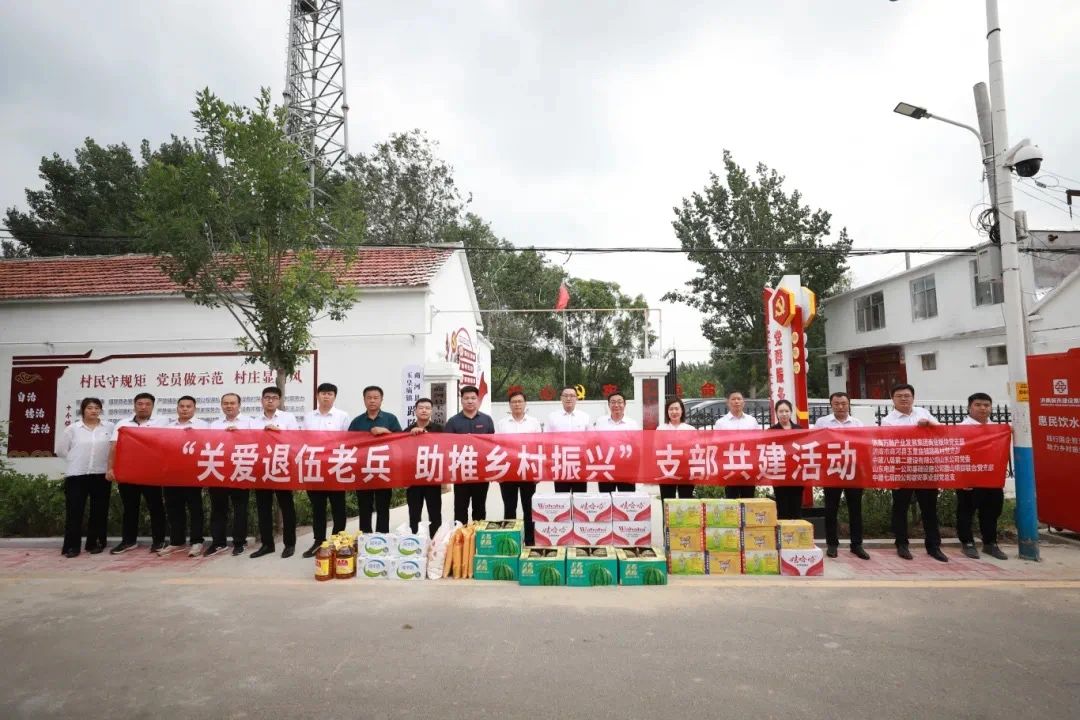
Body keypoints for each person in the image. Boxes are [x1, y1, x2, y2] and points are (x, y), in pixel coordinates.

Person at [882, 383, 947, 562]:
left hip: (926, 468)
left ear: (913, 397)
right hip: (902, 469)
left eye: (907, 395)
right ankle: (902, 544)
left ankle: (933, 546)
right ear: (892, 399)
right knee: (900, 508)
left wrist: (929, 425)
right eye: (899, 396)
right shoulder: (888, 421)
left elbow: (942, 432)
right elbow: (888, 444)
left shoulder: (923, 413)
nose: (904, 399)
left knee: (929, 509)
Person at [106, 392, 167, 554]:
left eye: (147, 404)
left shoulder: (162, 423)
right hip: (128, 473)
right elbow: (114, 447)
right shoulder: (123, 424)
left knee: (156, 507)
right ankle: (128, 541)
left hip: (151, 473)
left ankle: (159, 541)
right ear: (134, 405)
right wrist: (110, 468)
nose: (143, 407)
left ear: (153, 406)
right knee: (130, 508)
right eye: (140, 404)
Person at [814, 392, 870, 560]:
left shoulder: (857, 423)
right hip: (832, 471)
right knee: (831, 509)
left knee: (855, 509)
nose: (840, 407)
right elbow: (816, 444)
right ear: (831, 405)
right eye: (836, 404)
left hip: (853, 471)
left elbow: (863, 447)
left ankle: (857, 545)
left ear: (849, 404)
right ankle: (832, 544)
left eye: (843, 403)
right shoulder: (822, 422)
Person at [57, 397, 113, 557]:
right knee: (74, 511)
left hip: (101, 474)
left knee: (99, 511)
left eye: (97, 408)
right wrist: (77, 459)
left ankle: (95, 543)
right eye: (89, 408)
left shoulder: (109, 427)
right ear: (82, 410)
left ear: (101, 410)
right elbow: (61, 451)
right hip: (77, 475)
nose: (93, 411)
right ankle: (72, 546)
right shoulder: (73, 429)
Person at [300, 382, 351, 558]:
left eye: (330, 394)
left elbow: (348, 441)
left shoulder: (342, 416)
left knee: (338, 507)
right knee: (318, 507)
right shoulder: (308, 417)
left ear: (334, 397)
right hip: (314, 468)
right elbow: (303, 440)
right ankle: (319, 541)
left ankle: (337, 541)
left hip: (335, 467)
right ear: (317, 396)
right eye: (323, 393)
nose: (326, 396)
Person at [957, 392, 1008, 561]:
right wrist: (962, 478)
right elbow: (956, 454)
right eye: (978, 405)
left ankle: (990, 543)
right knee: (966, 511)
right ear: (969, 407)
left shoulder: (998, 429)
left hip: (992, 477)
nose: (982, 408)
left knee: (992, 512)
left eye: (986, 405)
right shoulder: (961, 428)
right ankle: (967, 543)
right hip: (969, 477)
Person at [250, 386, 299, 559]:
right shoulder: (254, 421)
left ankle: (290, 544)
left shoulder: (288, 418)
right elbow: (249, 442)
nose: (270, 400)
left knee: (287, 506)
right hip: (261, 467)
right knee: (263, 507)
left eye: (274, 397)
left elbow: (296, 440)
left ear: (279, 400)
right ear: (262, 400)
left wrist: (279, 433)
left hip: (282, 466)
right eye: (267, 397)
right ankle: (267, 544)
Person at [348, 385, 402, 533]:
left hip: (384, 469)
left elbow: (401, 441)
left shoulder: (390, 419)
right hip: (363, 470)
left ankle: (382, 537)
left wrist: (386, 431)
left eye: (376, 398)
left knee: (383, 506)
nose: (372, 401)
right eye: (369, 398)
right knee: (364, 506)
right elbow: (349, 444)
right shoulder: (357, 421)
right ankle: (365, 536)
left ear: (381, 399)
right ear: (364, 400)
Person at [160, 396, 209, 557]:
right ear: (177, 408)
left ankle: (197, 541)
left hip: (193, 473)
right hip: (172, 474)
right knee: (174, 508)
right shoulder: (169, 427)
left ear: (194, 408)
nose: (185, 409)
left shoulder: (203, 426)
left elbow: (208, 446)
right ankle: (176, 541)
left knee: (195, 508)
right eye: (182, 406)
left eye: (188, 406)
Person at [207, 393, 253, 556]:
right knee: (218, 508)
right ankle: (218, 543)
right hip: (218, 470)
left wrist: (240, 433)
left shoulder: (249, 422)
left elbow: (256, 442)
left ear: (239, 405)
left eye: (232, 403)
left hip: (240, 469)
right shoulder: (215, 424)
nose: (229, 406)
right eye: (225, 403)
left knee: (240, 508)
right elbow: (209, 444)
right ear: (221, 405)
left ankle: (240, 542)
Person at [496, 391, 543, 544]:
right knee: (509, 508)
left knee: (529, 508)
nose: (517, 404)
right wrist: (498, 472)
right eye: (514, 402)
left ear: (525, 404)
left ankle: (529, 541)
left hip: (528, 471)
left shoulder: (534, 423)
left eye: (520, 401)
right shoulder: (502, 424)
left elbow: (539, 448)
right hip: (508, 472)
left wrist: (538, 471)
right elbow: (496, 448)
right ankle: (510, 541)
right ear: (509, 405)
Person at [445, 385, 496, 525]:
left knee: (479, 508)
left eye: (473, 398)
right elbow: (447, 446)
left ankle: (478, 535)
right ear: (461, 400)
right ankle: (461, 536)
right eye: (466, 398)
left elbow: (492, 445)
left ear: (478, 400)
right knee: (460, 508)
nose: (470, 401)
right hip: (461, 472)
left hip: (481, 472)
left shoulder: (486, 420)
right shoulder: (453, 421)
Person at [405, 398, 444, 538]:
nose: (424, 410)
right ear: (415, 411)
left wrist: (427, 436)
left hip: (432, 477)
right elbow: (401, 454)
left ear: (431, 411)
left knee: (435, 513)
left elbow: (445, 450)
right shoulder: (407, 431)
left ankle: (435, 542)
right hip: (413, 479)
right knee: (414, 513)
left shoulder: (440, 430)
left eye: (427, 408)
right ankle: (416, 541)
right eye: (421, 408)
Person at [713, 390, 759, 499]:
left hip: (748, 465)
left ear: (743, 402)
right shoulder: (721, 423)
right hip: (730, 466)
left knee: (748, 498)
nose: (736, 401)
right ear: (728, 403)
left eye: (739, 399)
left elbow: (758, 442)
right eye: (733, 399)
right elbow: (716, 444)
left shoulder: (752, 421)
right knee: (731, 498)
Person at [545, 386, 591, 493]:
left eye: (572, 396)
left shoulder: (585, 417)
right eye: (565, 396)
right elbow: (547, 440)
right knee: (562, 496)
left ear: (576, 398)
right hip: (560, 462)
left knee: (579, 496)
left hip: (579, 462)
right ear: (561, 398)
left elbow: (590, 440)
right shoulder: (552, 417)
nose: (568, 398)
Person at [592, 391, 640, 492]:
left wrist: (635, 469)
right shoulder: (600, 422)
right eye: (613, 402)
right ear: (609, 405)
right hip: (606, 467)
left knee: (626, 498)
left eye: (619, 402)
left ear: (625, 404)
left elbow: (637, 448)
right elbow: (594, 444)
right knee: (606, 498)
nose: (616, 405)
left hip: (626, 468)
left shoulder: (632, 424)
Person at [769, 400, 805, 522]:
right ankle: (784, 532)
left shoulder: (799, 429)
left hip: (797, 473)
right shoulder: (771, 431)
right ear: (776, 413)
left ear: (791, 412)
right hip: (779, 473)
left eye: (786, 411)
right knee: (782, 507)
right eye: (781, 411)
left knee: (796, 507)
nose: (784, 414)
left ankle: (796, 531)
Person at [658, 396, 696, 501]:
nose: (674, 412)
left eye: (676, 409)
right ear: (667, 412)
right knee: (667, 500)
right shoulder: (661, 429)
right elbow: (656, 449)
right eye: (671, 409)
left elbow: (695, 450)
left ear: (682, 411)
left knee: (686, 499)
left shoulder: (690, 429)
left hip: (686, 470)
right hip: (666, 469)